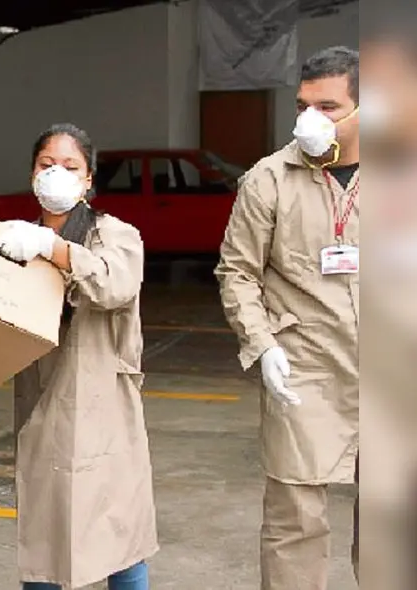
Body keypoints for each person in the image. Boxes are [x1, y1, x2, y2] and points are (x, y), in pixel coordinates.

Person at [214, 46, 360, 589]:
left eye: (328, 106)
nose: (311, 121)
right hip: (305, 370)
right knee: (294, 523)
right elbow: (237, 273)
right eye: (304, 105)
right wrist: (263, 343)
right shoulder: (269, 180)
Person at [0, 123, 158, 590]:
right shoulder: (13, 240)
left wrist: (54, 248)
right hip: (42, 397)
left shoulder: (115, 235)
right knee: (45, 532)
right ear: (31, 175)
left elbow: (114, 285)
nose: (56, 175)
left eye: (70, 166)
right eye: (47, 165)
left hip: (102, 402)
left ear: (89, 180)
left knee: (117, 531)